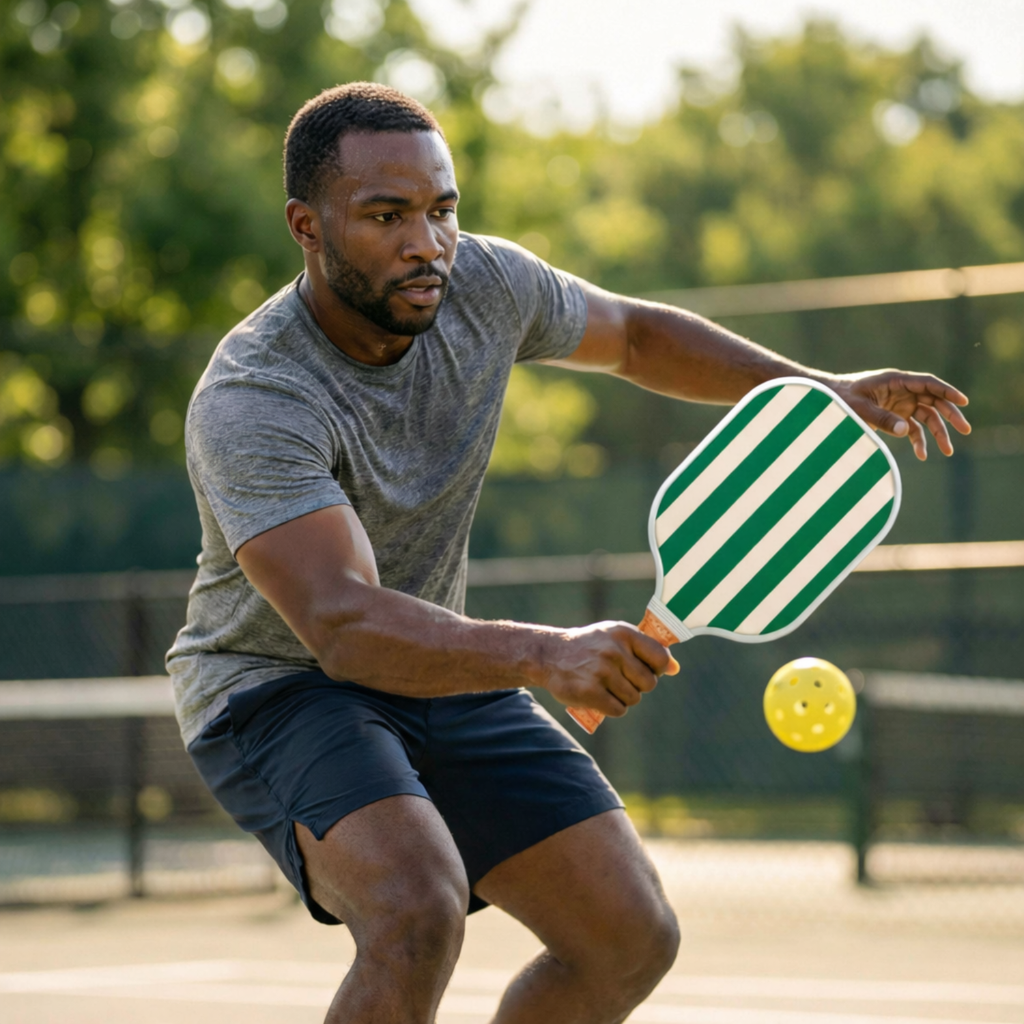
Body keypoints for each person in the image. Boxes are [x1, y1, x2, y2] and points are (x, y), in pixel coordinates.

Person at [167, 82, 971, 1024]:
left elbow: (633, 335)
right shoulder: (256, 395)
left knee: (627, 936)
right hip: (278, 687)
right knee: (415, 906)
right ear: (308, 226)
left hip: (439, 671)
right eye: (386, 216)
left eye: (441, 210)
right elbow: (341, 626)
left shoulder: (485, 287)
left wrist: (820, 390)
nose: (425, 242)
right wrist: (548, 655)